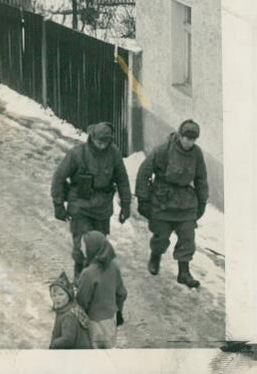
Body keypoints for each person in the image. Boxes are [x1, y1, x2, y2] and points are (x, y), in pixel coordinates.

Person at [51, 122, 132, 280]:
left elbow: (122, 179)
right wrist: (58, 204)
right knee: (82, 244)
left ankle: (91, 281)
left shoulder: (113, 154)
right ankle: (79, 276)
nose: (102, 146)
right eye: (99, 142)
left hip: (102, 207)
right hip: (80, 205)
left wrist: (126, 204)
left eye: (106, 142)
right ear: (92, 138)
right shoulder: (77, 154)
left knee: (98, 247)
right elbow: (59, 177)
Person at [135, 119, 208, 288]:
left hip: (186, 201)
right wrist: (143, 198)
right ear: (180, 135)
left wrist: (202, 201)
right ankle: (155, 256)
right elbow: (144, 172)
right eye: (187, 138)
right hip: (163, 200)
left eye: (193, 139)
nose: (189, 142)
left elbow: (201, 179)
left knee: (187, 237)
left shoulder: (197, 154)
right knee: (161, 236)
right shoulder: (163, 150)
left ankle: (184, 272)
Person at [75, 231, 127, 348]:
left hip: (94, 323)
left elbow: (82, 302)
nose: (81, 248)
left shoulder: (88, 273)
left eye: (84, 245)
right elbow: (122, 293)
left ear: (92, 249)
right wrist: (117, 311)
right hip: (110, 320)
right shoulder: (114, 266)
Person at [48, 271, 92, 350]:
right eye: (53, 295)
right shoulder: (68, 309)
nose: (57, 298)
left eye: (61, 294)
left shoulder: (68, 316)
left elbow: (67, 340)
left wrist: (54, 343)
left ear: (69, 295)